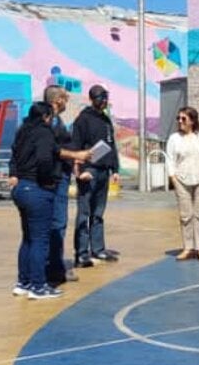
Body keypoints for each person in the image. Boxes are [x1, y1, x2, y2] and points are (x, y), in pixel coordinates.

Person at [11, 102, 90, 300]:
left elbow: (15, 157)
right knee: (40, 240)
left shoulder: (24, 132)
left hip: (22, 188)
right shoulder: (44, 132)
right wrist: (49, 181)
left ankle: (24, 282)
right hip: (37, 189)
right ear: (46, 117)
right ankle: (38, 286)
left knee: (28, 238)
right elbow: (45, 158)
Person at [72, 85, 120, 268]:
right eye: (101, 97)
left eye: (106, 97)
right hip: (89, 171)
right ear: (93, 99)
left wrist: (114, 169)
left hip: (103, 172)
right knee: (84, 213)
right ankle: (82, 253)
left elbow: (111, 144)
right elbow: (75, 146)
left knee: (98, 214)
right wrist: (80, 170)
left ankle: (98, 249)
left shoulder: (105, 120)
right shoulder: (83, 120)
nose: (105, 101)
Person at [166, 106, 199, 262]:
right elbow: (170, 160)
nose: (180, 121)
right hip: (181, 180)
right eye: (178, 118)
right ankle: (188, 248)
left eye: (183, 118)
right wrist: (173, 179)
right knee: (185, 215)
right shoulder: (174, 138)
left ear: (192, 120)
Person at [43, 86, 80, 286]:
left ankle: (53, 264)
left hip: (60, 177)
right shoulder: (50, 122)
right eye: (65, 98)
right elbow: (55, 149)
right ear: (57, 100)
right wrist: (76, 155)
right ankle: (54, 268)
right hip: (55, 179)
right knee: (57, 223)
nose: (67, 102)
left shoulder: (56, 121)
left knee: (57, 223)